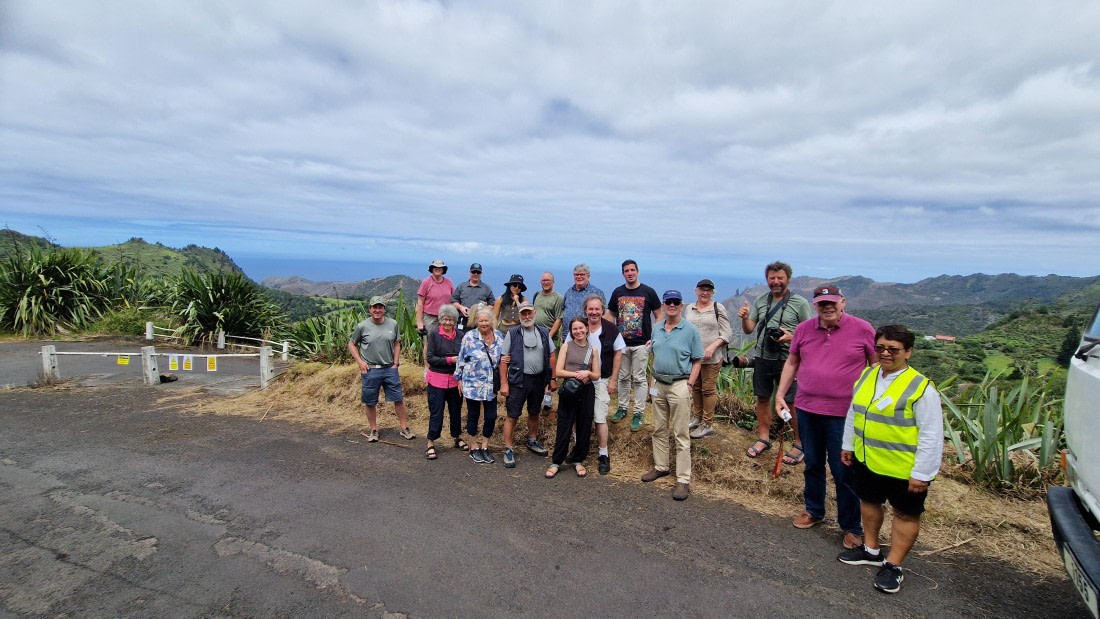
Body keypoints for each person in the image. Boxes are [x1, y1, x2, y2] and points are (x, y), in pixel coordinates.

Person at [838, 324, 944, 594]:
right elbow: (855, 411)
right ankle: (871, 549)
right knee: (869, 503)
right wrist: (848, 444)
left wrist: (923, 472)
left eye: (893, 349)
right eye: (881, 347)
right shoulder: (868, 374)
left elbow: (932, 434)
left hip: (903, 466)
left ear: (908, 352)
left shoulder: (921, 388)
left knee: (905, 514)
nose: (886, 353)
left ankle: (894, 565)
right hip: (868, 458)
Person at [776, 285, 876, 549]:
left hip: (845, 415)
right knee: (812, 464)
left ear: (843, 302)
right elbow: (792, 362)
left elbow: (877, 366)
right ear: (815, 304)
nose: (827, 307)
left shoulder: (863, 329)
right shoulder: (804, 329)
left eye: (832, 302)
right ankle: (814, 510)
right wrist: (780, 394)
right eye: (822, 303)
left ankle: (852, 526)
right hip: (807, 408)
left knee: (844, 470)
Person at [738, 261, 812, 462]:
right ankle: (763, 438)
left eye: (780, 278)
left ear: (788, 278)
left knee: (792, 402)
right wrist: (744, 318)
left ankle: (799, 443)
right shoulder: (761, 300)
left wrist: (791, 337)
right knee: (762, 398)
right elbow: (749, 329)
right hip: (763, 357)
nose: (776, 282)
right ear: (767, 280)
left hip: (789, 359)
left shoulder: (800, 303)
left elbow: (811, 333)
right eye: (772, 278)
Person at [641, 290, 703, 501]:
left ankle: (683, 479)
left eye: (676, 302)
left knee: (680, 433)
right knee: (658, 428)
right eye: (668, 301)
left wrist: (690, 385)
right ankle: (661, 466)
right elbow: (655, 356)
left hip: (679, 384)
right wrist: (651, 384)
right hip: (658, 382)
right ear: (664, 304)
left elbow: (697, 360)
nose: (672, 305)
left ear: (681, 304)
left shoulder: (690, 330)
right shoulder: (657, 328)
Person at [348, 296, 414, 442]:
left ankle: (404, 428)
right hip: (371, 370)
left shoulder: (393, 324)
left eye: (380, 307)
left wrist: (396, 363)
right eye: (374, 307)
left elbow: (397, 343)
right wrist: (360, 362)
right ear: (370, 309)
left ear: (384, 309)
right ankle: (374, 429)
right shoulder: (362, 326)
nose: (377, 310)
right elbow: (352, 344)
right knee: (370, 401)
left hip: (390, 368)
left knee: (398, 399)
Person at [499, 302, 557, 468]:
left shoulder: (544, 332)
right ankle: (508, 448)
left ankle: (532, 440)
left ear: (535, 313)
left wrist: (552, 378)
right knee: (513, 414)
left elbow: (552, 356)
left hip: (538, 380)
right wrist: (504, 383)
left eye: (529, 313)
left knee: (534, 411)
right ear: (519, 315)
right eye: (523, 314)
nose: (526, 317)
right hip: (518, 380)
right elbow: (503, 360)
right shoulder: (513, 333)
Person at [608, 259, 662, 432]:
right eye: (626, 270)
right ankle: (622, 408)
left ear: (637, 271)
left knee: (639, 378)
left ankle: (638, 412)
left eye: (632, 270)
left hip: (641, 344)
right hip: (622, 344)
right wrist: (609, 336)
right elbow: (611, 315)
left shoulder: (648, 292)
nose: (630, 273)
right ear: (623, 273)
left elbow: (659, 316)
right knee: (623, 377)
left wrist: (654, 336)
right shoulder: (618, 292)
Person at [547, 317, 600, 479]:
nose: (578, 331)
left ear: (587, 329)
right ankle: (556, 461)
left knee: (584, 425)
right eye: (574, 329)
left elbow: (596, 375)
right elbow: (559, 371)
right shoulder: (566, 346)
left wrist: (588, 373)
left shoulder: (593, 350)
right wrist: (578, 375)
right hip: (569, 390)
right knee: (564, 424)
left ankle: (578, 459)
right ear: (571, 331)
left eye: (581, 328)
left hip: (586, 391)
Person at [684, 278, 732, 439]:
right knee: (696, 387)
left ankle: (707, 423)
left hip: (712, 357)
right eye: (702, 289)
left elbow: (727, 333)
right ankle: (697, 417)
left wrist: (712, 347)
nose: (705, 292)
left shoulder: (718, 308)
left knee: (708, 389)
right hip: (693, 357)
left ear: (713, 292)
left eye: (708, 290)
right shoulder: (689, 308)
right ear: (696, 291)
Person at [454, 307, 503, 464]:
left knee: (491, 416)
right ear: (477, 321)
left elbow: (503, 358)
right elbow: (461, 359)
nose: (483, 323)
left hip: (491, 385)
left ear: (491, 321)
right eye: (481, 320)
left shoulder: (499, 336)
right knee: (473, 415)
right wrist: (459, 379)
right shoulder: (469, 337)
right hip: (472, 384)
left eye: (486, 320)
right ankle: (473, 445)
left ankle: (485, 445)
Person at [585, 294, 625, 475]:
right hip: (581, 380)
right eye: (590, 309)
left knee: (600, 417)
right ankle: (580, 448)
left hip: (602, 379)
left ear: (602, 310)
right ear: (586, 310)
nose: (594, 312)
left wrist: (614, 380)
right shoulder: (579, 327)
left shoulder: (611, 329)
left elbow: (618, 354)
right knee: (579, 415)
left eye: (597, 309)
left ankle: (603, 453)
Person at [424, 305, 466, 460]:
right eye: (445, 320)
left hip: (455, 381)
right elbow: (430, 358)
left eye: (451, 320)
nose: (448, 323)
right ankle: (431, 442)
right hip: (437, 379)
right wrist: (450, 360)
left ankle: (457, 437)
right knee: (437, 412)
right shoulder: (434, 334)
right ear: (440, 320)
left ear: (455, 321)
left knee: (456, 411)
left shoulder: (461, 335)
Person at [416, 259, 455, 338]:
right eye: (435, 267)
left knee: (446, 339)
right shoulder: (426, 282)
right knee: (430, 340)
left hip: (446, 317)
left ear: (443, 270)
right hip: (430, 318)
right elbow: (420, 303)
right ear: (432, 269)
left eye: (440, 267)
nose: (437, 269)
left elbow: (453, 300)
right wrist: (419, 322)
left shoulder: (448, 282)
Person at [451, 262, 495, 331]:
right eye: (473, 272)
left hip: (478, 322)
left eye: (478, 272)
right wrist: (461, 307)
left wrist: (483, 310)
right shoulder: (461, 286)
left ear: (481, 274)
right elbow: (453, 301)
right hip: (463, 320)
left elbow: (492, 304)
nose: (476, 274)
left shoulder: (486, 288)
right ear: (470, 272)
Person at [561, 263, 605, 333]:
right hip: (567, 335)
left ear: (588, 276)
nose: (579, 277)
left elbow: (603, 315)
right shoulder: (568, 292)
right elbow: (563, 310)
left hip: (587, 336)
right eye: (576, 274)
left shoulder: (596, 293)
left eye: (582, 274)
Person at [532, 272, 565, 341]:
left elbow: (559, 319)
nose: (545, 282)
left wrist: (549, 337)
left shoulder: (558, 298)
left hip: (551, 338)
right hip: (536, 335)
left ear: (553, 282)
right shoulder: (537, 295)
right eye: (543, 280)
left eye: (548, 280)